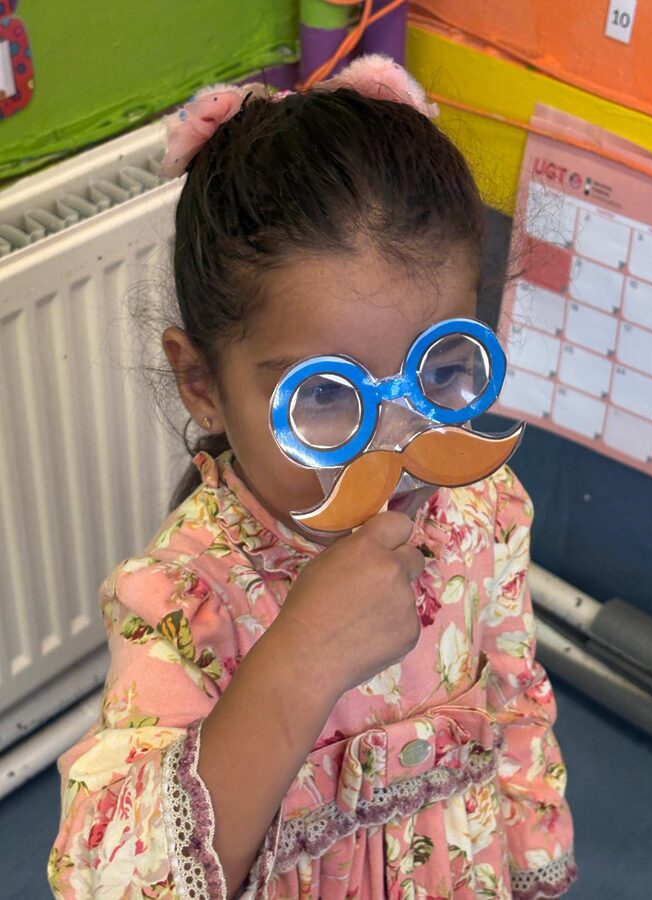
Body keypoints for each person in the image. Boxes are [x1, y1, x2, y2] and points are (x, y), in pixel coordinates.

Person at [48, 55, 577, 899]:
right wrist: (298, 661)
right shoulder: (185, 600)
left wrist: (530, 864)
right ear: (201, 384)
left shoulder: (481, 508)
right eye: (326, 398)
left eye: (440, 370)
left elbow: (514, 703)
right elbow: (107, 880)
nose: (393, 443)